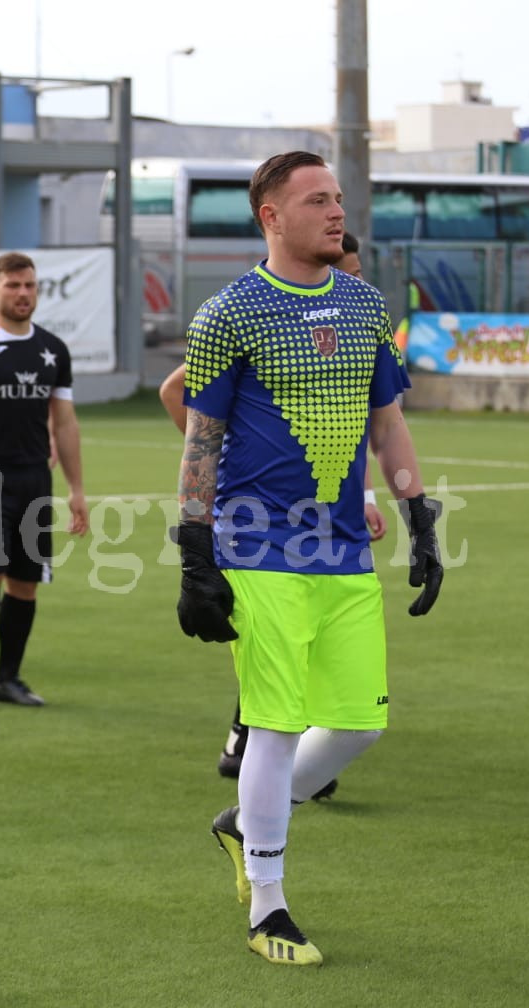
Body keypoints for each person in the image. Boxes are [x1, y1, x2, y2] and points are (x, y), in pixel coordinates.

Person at [174, 152, 443, 966]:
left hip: (341, 550)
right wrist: (194, 551)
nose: (335, 212)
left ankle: (244, 824)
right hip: (255, 546)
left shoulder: (365, 305)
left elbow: (387, 423)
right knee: (278, 722)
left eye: (336, 199)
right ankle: (268, 905)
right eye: (316, 200)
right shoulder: (229, 313)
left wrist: (418, 519)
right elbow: (199, 441)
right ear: (270, 216)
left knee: (359, 724)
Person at [159, 231, 385, 782]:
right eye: (348, 273)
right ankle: (257, 756)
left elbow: (353, 426)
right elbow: (177, 395)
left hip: (334, 529)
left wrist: (369, 493)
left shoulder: (357, 319)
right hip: (261, 530)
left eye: (357, 276)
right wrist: (228, 462)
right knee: (277, 671)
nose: (351, 285)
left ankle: (278, 776)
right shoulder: (254, 318)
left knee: (327, 677)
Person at [0, 252, 89, 706]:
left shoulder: (53, 350)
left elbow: (64, 423)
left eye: (29, 286)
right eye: (13, 286)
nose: (23, 294)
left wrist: (77, 491)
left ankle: (8, 679)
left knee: (24, 584)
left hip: (33, 478)